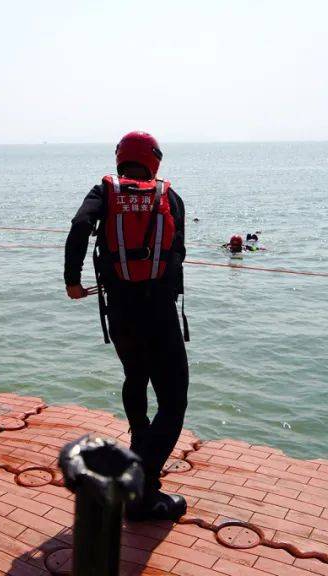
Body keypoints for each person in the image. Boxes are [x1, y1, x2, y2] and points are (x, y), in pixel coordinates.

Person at [64, 131, 189, 522]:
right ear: (154, 160)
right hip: (159, 311)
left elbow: (80, 226)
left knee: (135, 377)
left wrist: (72, 280)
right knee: (173, 400)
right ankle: (142, 488)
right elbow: (177, 252)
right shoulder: (169, 196)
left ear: (120, 158)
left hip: (119, 310)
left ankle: (139, 439)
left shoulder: (104, 192)